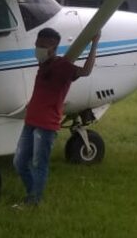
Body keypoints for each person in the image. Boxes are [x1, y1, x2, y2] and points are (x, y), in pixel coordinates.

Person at [13, 27, 100, 207]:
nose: (38, 49)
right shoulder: (43, 64)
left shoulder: (63, 66)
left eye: (43, 46)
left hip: (46, 125)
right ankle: (33, 194)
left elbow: (86, 71)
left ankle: (34, 201)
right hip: (31, 121)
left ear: (54, 48)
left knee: (39, 164)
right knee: (19, 162)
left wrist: (94, 44)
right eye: (37, 45)